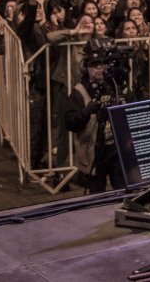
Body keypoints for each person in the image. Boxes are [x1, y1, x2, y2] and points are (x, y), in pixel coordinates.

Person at [63, 38, 128, 193]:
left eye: (103, 64)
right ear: (86, 68)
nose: (100, 68)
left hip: (116, 150)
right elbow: (70, 123)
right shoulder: (79, 91)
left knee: (123, 192)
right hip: (94, 153)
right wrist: (88, 110)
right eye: (95, 65)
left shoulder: (116, 86)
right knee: (96, 196)